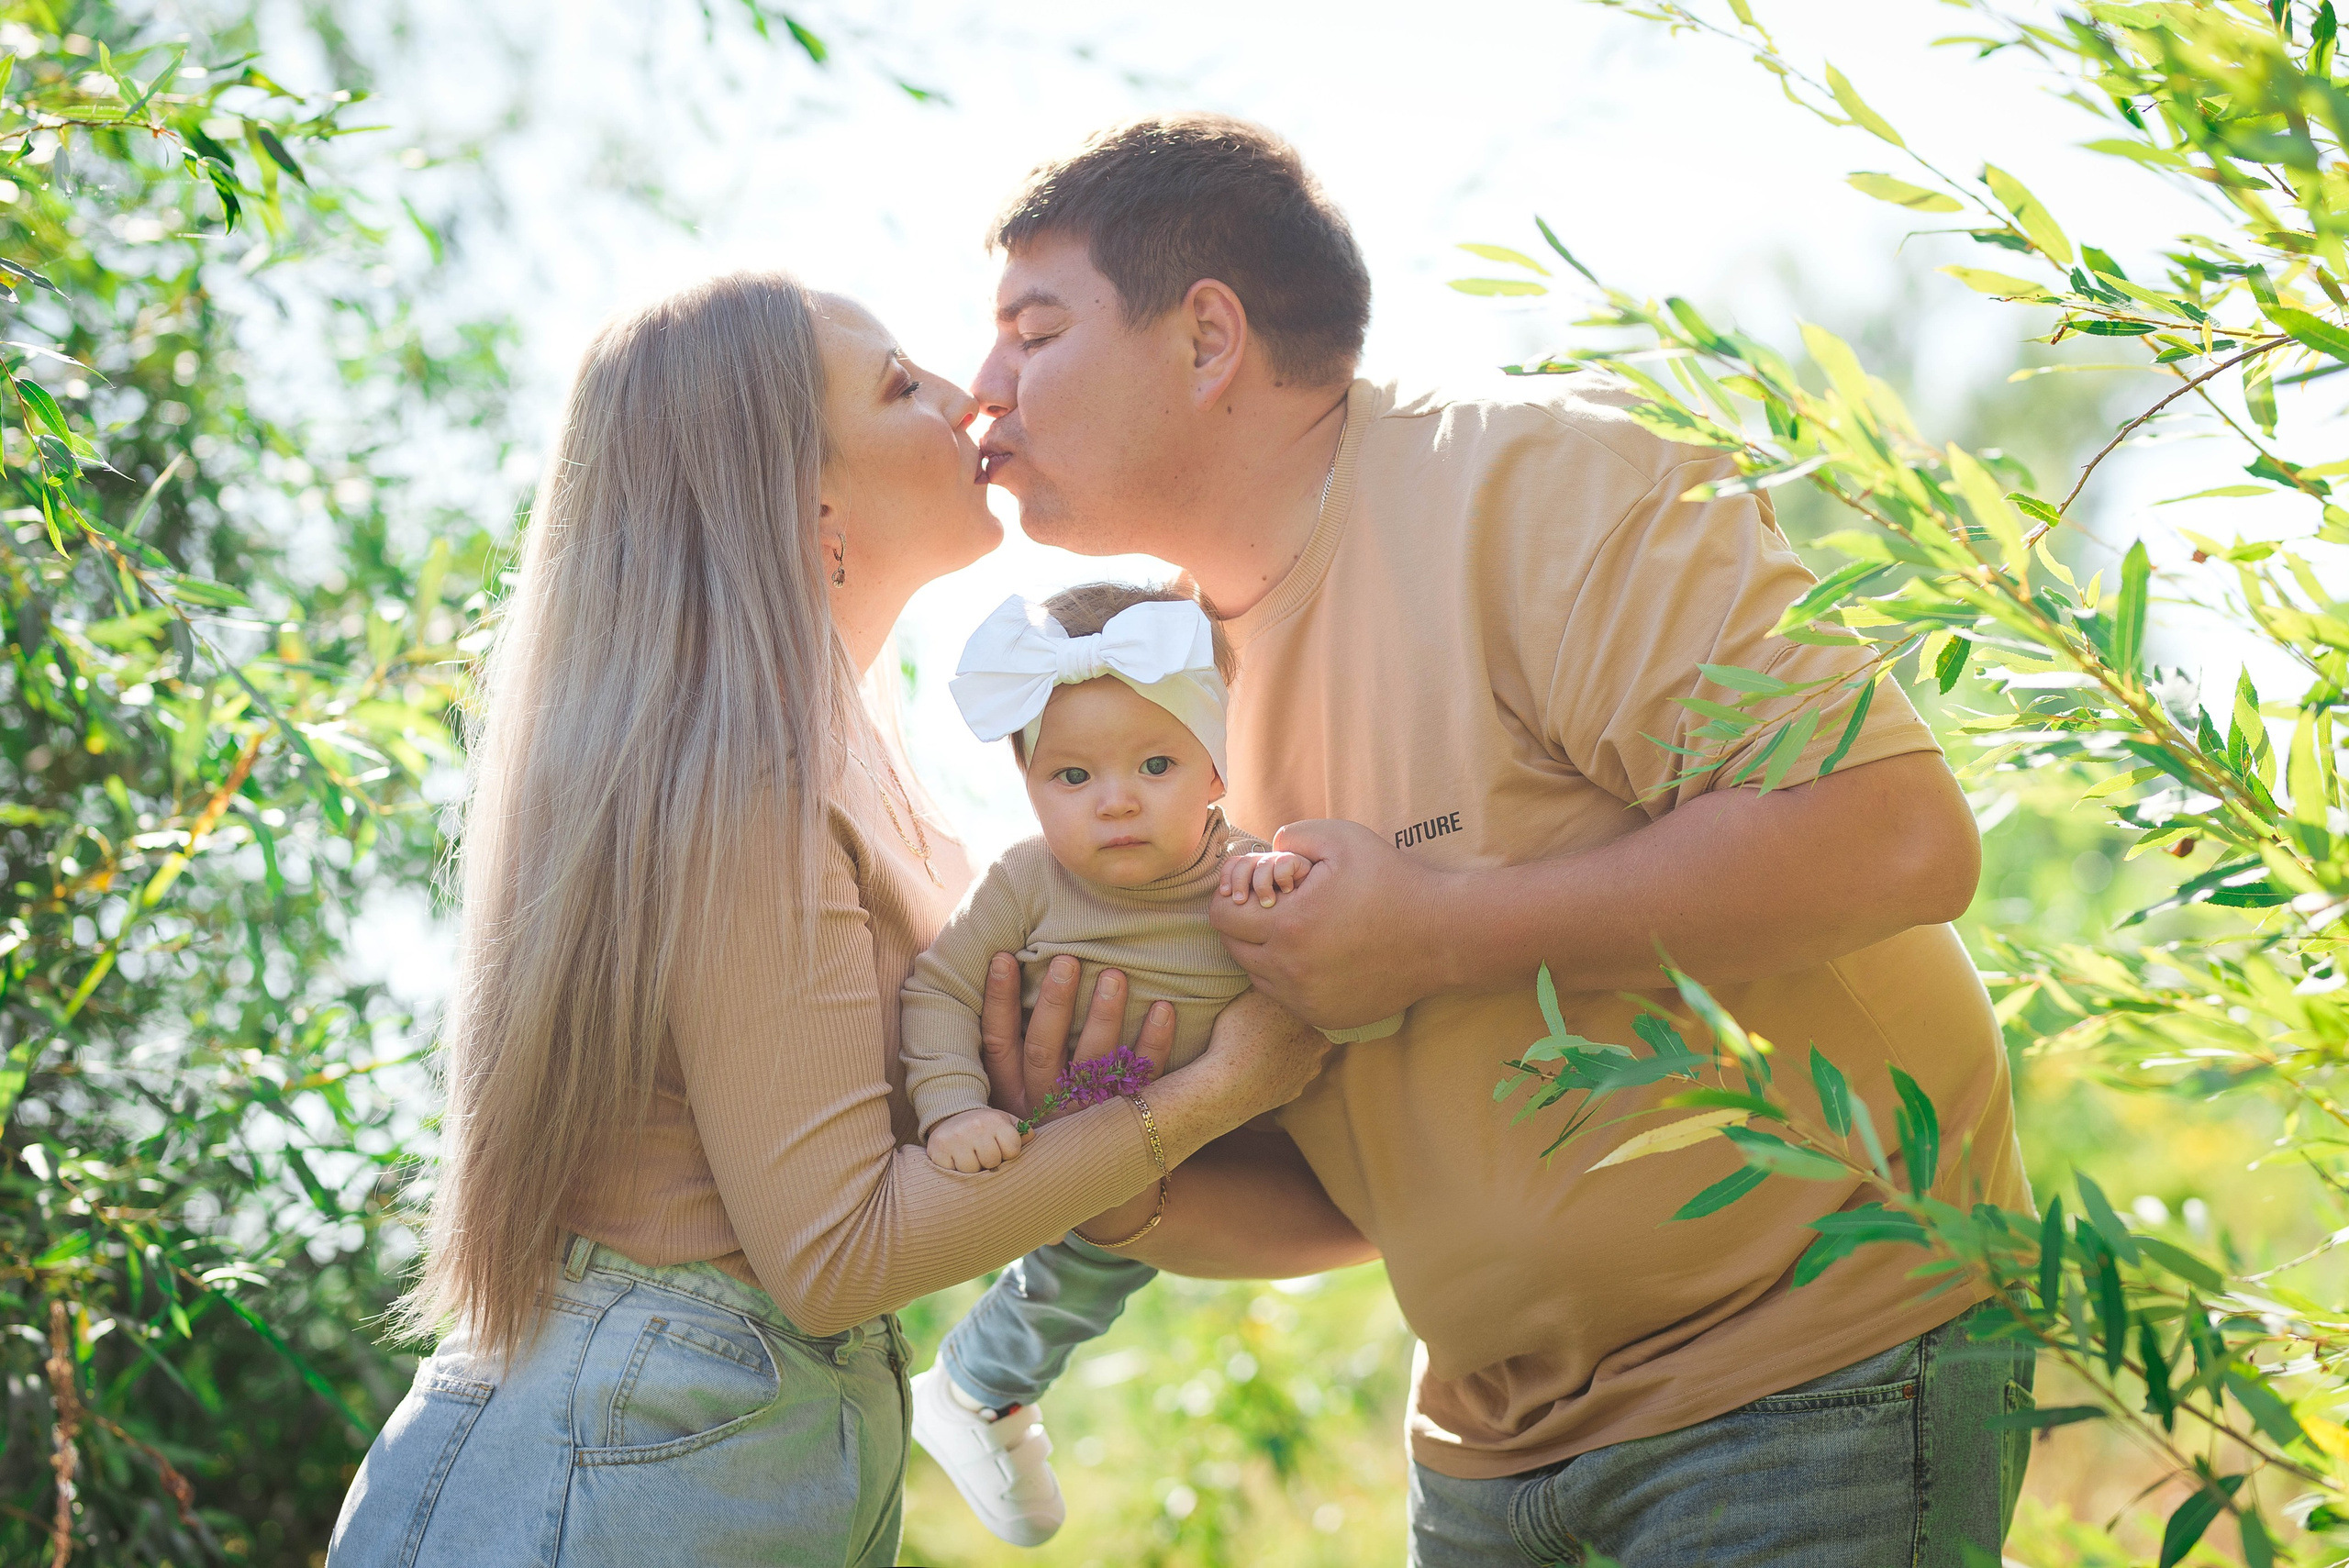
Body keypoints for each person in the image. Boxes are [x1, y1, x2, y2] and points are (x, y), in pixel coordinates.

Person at [966, 113, 2036, 1567]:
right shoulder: (1151, 710)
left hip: (1811, 1387)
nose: (983, 393)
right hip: (1485, 1473)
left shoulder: (1541, 488)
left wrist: (1440, 932)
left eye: (1031, 334)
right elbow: (1354, 1204)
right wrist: (1123, 1164)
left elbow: (1900, 838)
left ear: (1207, 337)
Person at [324, 272, 1339, 1568]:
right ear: (809, 510)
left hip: (712, 1437)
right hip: (623, 1453)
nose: (967, 392)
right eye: (899, 385)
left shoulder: (846, 758)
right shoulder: (744, 781)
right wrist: (1211, 1091)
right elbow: (834, 1256)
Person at [896, 582, 1379, 1544]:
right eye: (1070, 777)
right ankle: (980, 1388)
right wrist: (951, 1107)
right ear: (1027, 780)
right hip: (1069, 1118)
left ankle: (979, 1387)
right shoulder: (1025, 881)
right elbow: (938, 990)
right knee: (1084, 1267)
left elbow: (1318, 934)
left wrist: (1287, 885)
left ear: (1213, 767)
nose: (1115, 799)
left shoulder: (1244, 869)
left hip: (1224, 1135)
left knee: (1119, 1253)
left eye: (1154, 763)